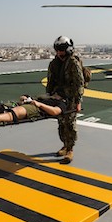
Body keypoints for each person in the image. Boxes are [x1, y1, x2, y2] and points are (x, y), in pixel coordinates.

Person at [46, 36, 84, 164]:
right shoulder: (54, 63)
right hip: (58, 97)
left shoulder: (73, 62)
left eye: (61, 50)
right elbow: (50, 81)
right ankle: (64, 145)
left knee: (70, 123)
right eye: (57, 50)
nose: (59, 52)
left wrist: (78, 101)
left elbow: (79, 83)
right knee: (61, 122)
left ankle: (70, 149)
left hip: (71, 97)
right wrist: (49, 97)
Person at [0, 94, 67, 123]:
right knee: (5, 106)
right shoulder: (47, 96)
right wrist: (25, 97)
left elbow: (55, 111)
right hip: (30, 103)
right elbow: (28, 97)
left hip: (37, 109)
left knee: (18, 111)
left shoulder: (61, 103)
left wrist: (40, 105)